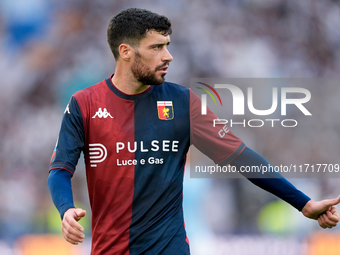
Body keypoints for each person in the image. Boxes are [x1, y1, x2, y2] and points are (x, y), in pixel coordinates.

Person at [48, 8, 340, 255]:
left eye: (168, 45)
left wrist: (303, 203)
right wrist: (66, 209)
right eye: (156, 47)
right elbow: (60, 169)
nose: (169, 56)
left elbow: (240, 158)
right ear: (126, 52)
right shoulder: (84, 104)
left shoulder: (183, 102)